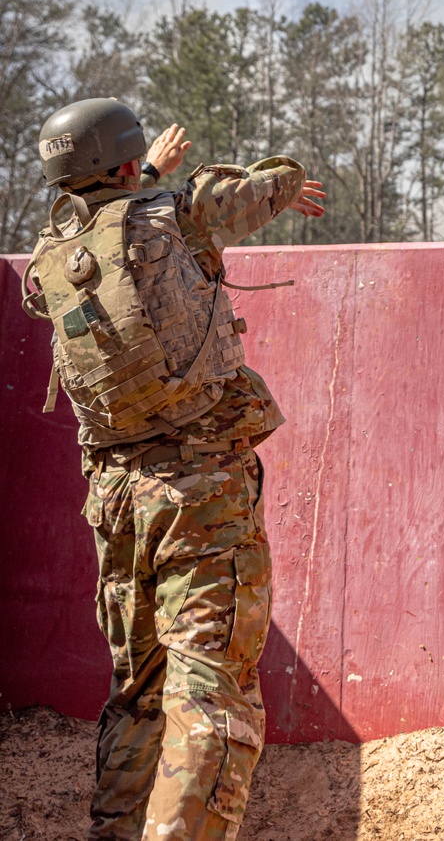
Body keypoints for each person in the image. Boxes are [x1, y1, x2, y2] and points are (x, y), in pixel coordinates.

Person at [22, 98, 325, 841]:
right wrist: (167, 180)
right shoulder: (180, 213)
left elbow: (80, 253)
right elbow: (278, 180)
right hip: (201, 497)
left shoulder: (48, 262)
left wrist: (143, 175)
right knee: (211, 692)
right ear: (129, 161)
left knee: (140, 691)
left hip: (117, 500)